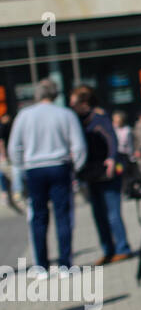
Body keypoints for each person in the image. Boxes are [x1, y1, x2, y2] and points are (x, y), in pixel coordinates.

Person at [8, 78, 86, 276]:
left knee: (38, 217)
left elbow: (14, 146)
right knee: (63, 216)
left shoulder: (25, 115)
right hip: (59, 166)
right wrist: (74, 168)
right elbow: (79, 146)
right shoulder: (65, 114)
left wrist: (22, 167)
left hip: (35, 169)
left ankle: (41, 265)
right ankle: (65, 264)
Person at [69, 86, 132, 265]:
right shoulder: (78, 121)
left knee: (113, 212)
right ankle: (108, 250)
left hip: (107, 173)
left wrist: (111, 158)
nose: (71, 106)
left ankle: (122, 248)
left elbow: (112, 138)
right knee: (98, 214)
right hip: (91, 173)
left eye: (74, 103)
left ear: (84, 103)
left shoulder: (99, 117)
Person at [0, 111, 21, 211]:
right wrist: (3, 155)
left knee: (9, 173)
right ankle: (12, 193)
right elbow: (1, 142)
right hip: (8, 154)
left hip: (9, 154)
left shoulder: (9, 126)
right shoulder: (4, 127)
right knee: (7, 173)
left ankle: (12, 193)